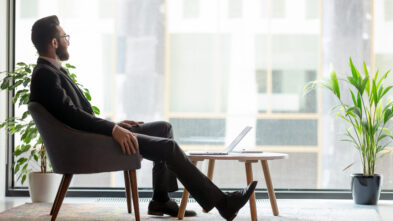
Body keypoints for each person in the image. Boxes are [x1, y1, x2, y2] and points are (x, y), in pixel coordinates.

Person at [29, 15, 257, 221]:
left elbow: (77, 117)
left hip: (92, 138)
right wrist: (113, 130)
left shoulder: (53, 72)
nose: (68, 41)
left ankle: (161, 201)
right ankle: (223, 203)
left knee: (163, 128)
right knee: (168, 147)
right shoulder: (45, 75)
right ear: (54, 43)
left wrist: (115, 126)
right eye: (64, 36)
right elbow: (74, 117)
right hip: (89, 145)